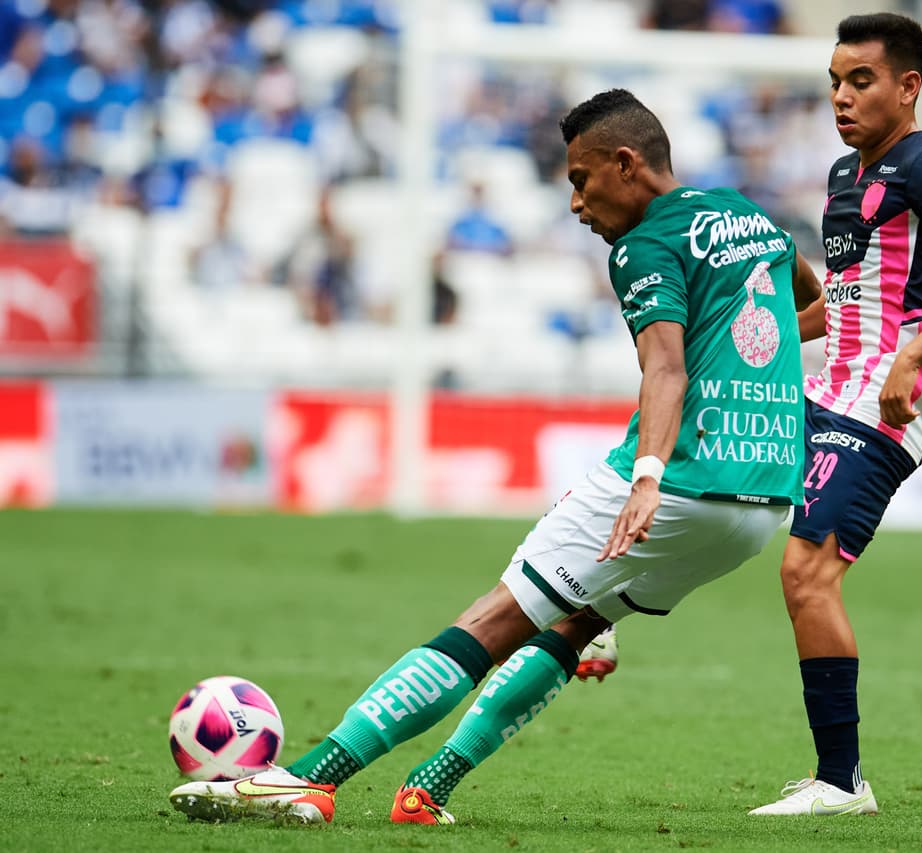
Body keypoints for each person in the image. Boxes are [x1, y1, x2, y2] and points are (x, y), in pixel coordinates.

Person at [168, 87, 821, 826]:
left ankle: (309, 777)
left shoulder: (645, 246)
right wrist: (742, 358)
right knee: (573, 623)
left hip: (678, 478)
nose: (575, 204)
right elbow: (810, 296)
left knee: (492, 621)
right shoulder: (743, 213)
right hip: (760, 501)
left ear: (626, 163)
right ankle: (429, 788)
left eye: (580, 179)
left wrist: (647, 475)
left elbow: (664, 369)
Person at [747, 13, 922, 816]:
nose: (841, 95)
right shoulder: (842, 178)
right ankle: (601, 619)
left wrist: (913, 356)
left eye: (859, 80)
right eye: (834, 80)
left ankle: (841, 782)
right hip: (830, 384)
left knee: (806, 570)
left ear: (908, 86)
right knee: (704, 465)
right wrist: (752, 342)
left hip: (885, 402)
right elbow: (845, 306)